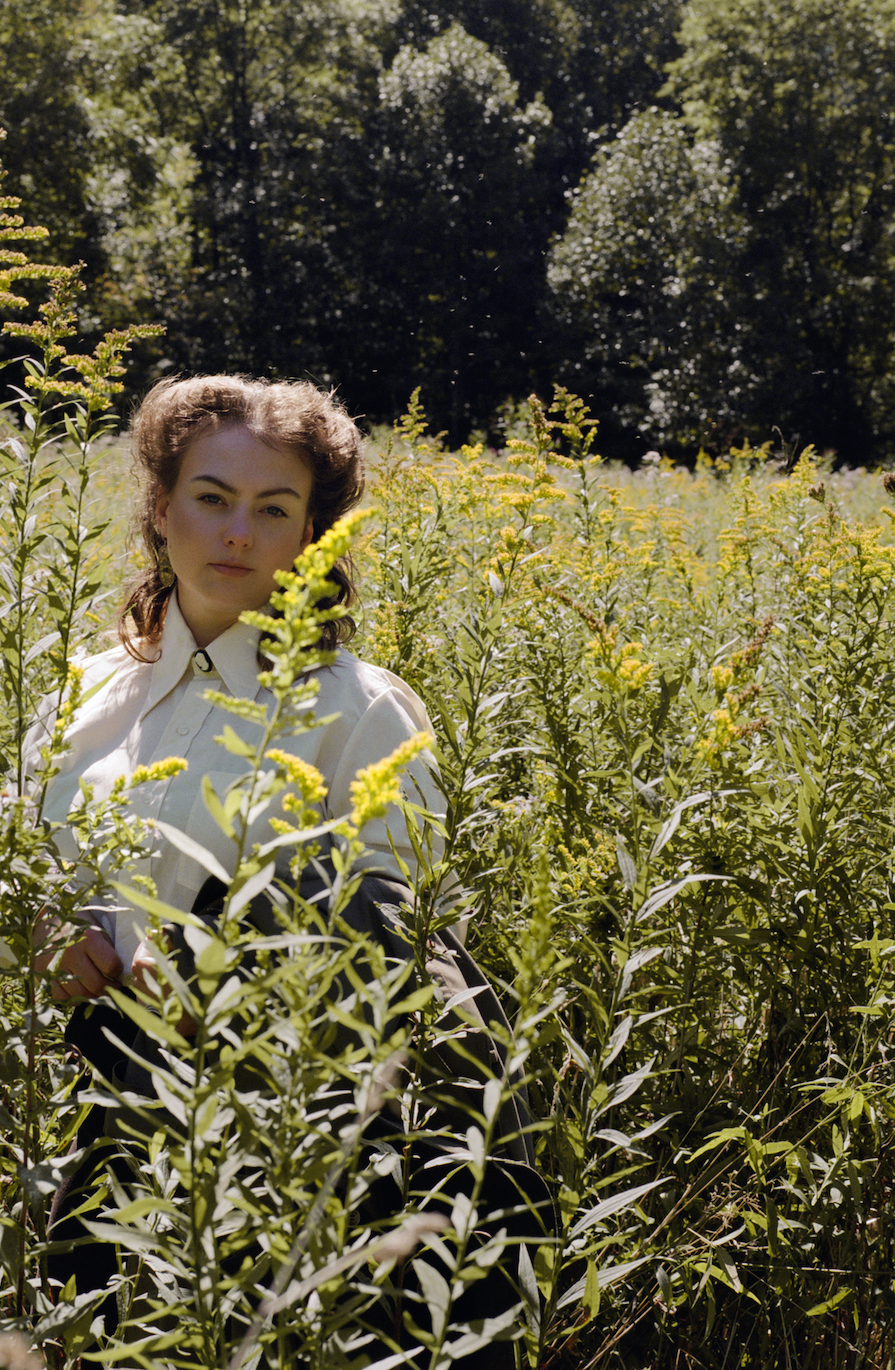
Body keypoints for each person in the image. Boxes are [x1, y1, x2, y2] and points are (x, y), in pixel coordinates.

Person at [28, 374, 544, 1360]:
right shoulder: (88, 691)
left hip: (261, 1136)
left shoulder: (361, 711)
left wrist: (229, 979)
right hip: (60, 1111)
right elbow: (5, 866)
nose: (239, 533)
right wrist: (39, 932)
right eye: (212, 497)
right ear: (161, 508)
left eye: (275, 509)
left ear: (312, 534)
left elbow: (404, 945)